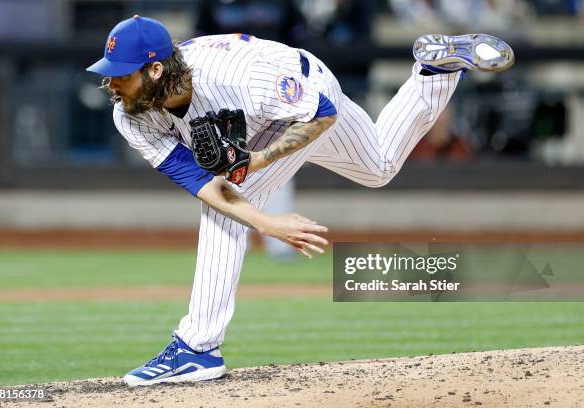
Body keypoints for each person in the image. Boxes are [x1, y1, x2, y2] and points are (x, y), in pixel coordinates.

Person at [86, 16, 514, 385]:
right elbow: (205, 185)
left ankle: (197, 347)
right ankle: (435, 73)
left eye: (121, 73)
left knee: (236, 197)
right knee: (378, 167)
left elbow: (322, 111)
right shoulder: (129, 116)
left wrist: (253, 163)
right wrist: (266, 221)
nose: (111, 83)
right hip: (270, 107)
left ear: (157, 70)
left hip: (304, 94)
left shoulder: (237, 78)